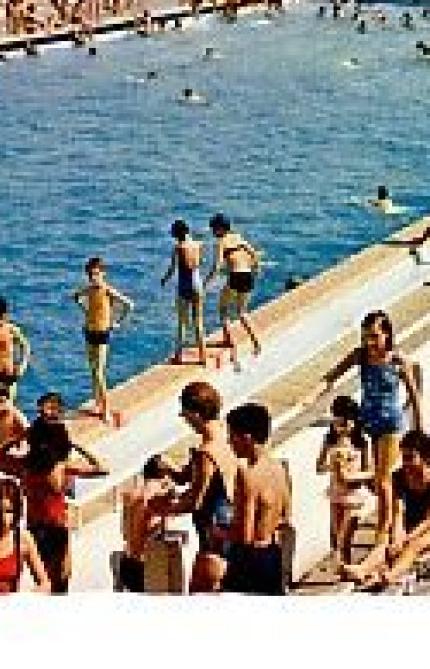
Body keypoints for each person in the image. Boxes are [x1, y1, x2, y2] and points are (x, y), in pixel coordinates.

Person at [314, 310, 425, 547]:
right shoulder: (361, 356)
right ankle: (395, 514)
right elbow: (332, 374)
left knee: (383, 479)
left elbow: (414, 395)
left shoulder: (397, 360)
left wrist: (419, 428)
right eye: (366, 337)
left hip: (390, 425)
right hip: (369, 423)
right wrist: (314, 393)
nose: (370, 342)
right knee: (378, 481)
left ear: (387, 334)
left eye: (375, 336)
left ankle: (383, 532)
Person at [154, 381, 239, 593]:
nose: (185, 419)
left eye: (186, 414)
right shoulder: (227, 437)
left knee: (200, 594)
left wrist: (163, 509)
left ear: (196, 415)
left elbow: (196, 500)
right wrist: (170, 469)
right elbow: (190, 478)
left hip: (213, 532)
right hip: (231, 523)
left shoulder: (205, 452)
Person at [342, 430, 430, 589]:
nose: (406, 463)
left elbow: (429, 519)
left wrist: (407, 538)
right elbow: (397, 512)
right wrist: (397, 535)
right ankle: (363, 568)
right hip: (408, 520)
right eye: (403, 457)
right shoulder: (398, 476)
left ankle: (390, 576)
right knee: (386, 542)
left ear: (425, 458)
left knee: (414, 546)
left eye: (410, 458)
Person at [13, 417, 104, 593]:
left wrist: (19, 438)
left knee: (43, 581)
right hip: (57, 528)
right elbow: (102, 467)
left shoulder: (24, 465)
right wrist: (77, 445)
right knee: (61, 581)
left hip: (35, 527)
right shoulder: (61, 467)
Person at [222, 402, 292, 595]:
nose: (229, 442)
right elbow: (285, 517)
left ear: (247, 438)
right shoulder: (280, 468)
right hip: (272, 556)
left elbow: (244, 535)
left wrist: (220, 533)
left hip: (249, 561)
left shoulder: (246, 475)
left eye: (231, 436)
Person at [316, 396, 374, 576]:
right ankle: (343, 568)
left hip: (354, 494)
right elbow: (319, 467)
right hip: (336, 492)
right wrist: (332, 466)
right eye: (338, 422)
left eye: (346, 422)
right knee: (336, 534)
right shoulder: (330, 441)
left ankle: (345, 567)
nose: (342, 427)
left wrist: (351, 476)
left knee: (346, 534)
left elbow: (370, 470)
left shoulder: (361, 442)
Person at [74, 257, 134, 422]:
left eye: (96, 274)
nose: (93, 278)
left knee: (99, 372)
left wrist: (117, 323)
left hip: (102, 332)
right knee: (92, 370)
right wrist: (86, 311)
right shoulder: (88, 289)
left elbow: (129, 305)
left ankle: (106, 409)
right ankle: (97, 403)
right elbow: (76, 297)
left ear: (103, 273)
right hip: (88, 331)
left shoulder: (107, 290)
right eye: (91, 275)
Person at [207, 214, 262, 361]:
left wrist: (208, 281)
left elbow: (217, 265)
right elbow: (254, 254)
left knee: (223, 309)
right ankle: (256, 342)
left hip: (236, 276)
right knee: (242, 312)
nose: (212, 231)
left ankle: (231, 342)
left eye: (213, 228)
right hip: (248, 275)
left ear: (219, 229)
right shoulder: (238, 237)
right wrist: (256, 269)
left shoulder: (221, 242)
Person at [117, 456, 173, 592]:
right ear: (165, 475)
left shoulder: (131, 494)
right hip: (145, 566)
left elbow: (125, 531)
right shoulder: (157, 497)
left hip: (127, 561)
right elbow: (155, 532)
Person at [161, 219, 207, 366]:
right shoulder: (199, 245)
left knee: (182, 322)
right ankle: (203, 356)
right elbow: (199, 262)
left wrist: (164, 279)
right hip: (197, 284)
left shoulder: (178, 247)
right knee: (198, 322)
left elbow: (172, 268)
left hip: (184, 286)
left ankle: (179, 356)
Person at [0, 296, 31, 404]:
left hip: (9, 377)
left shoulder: (11, 329)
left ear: (5, 315)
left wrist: (22, 367)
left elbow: (26, 347)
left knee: (7, 410)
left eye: (0, 317)